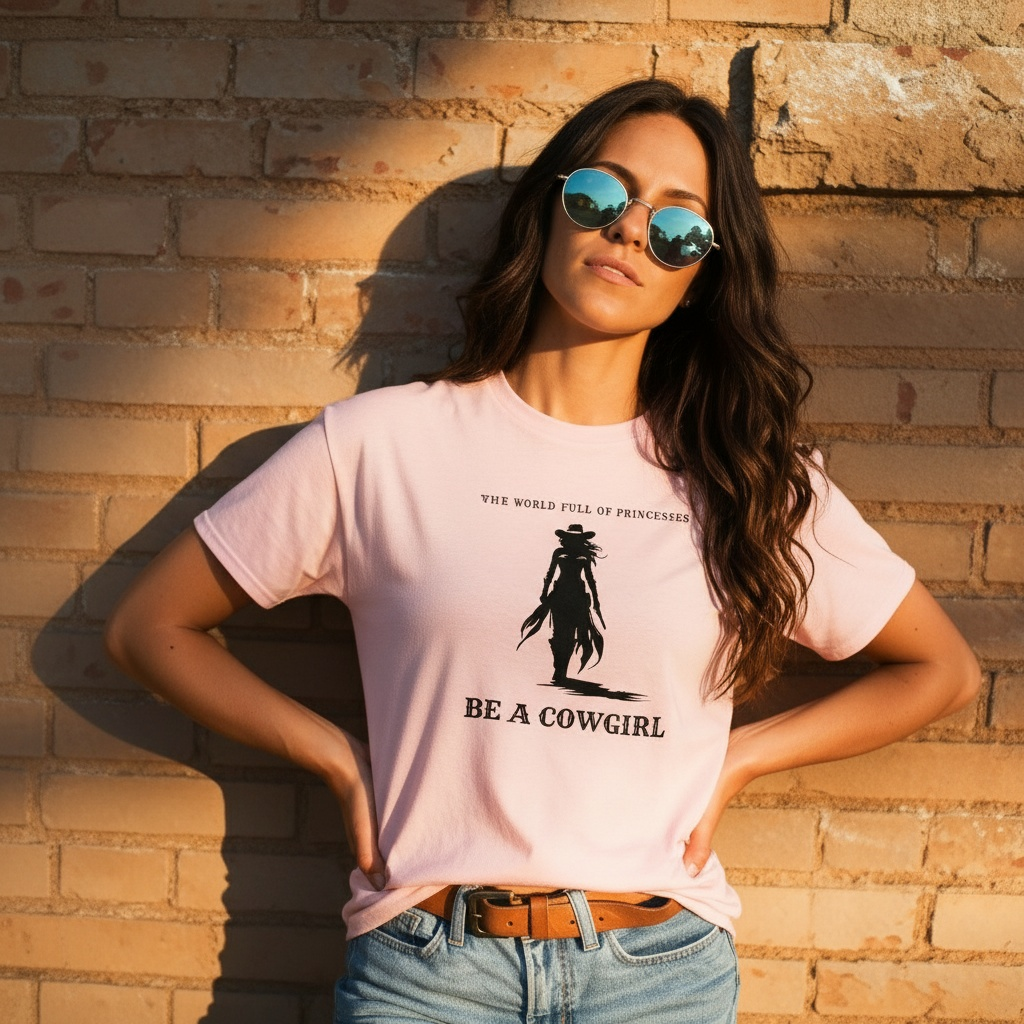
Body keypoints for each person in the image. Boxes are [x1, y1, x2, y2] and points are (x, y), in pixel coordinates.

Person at [105, 79, 980, 1023]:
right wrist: (336, 757)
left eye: (679, 227)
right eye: (602, 197)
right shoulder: (378, 446)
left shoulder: (746, 475)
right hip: (430, 970)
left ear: (702, 278)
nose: (633, 232)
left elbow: (938, 669)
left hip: (660, 973)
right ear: (550, 213)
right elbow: (152, 628)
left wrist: (739, 759)